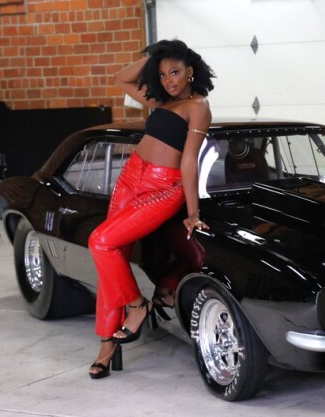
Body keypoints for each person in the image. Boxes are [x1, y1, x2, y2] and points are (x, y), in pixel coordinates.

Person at [87, 39, 214, 379]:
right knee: (110, 259)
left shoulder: (198, 106)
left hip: (162, 188)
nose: (169, 80)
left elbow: (189, 159)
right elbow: (122, 78)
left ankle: (137, 305)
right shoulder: (161, 100)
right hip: (130, 177)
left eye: (175, 72)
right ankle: (107, 345)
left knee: (101, 242)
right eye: (162, 74)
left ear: (190, 71)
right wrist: (154, 56)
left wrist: (192, 211)